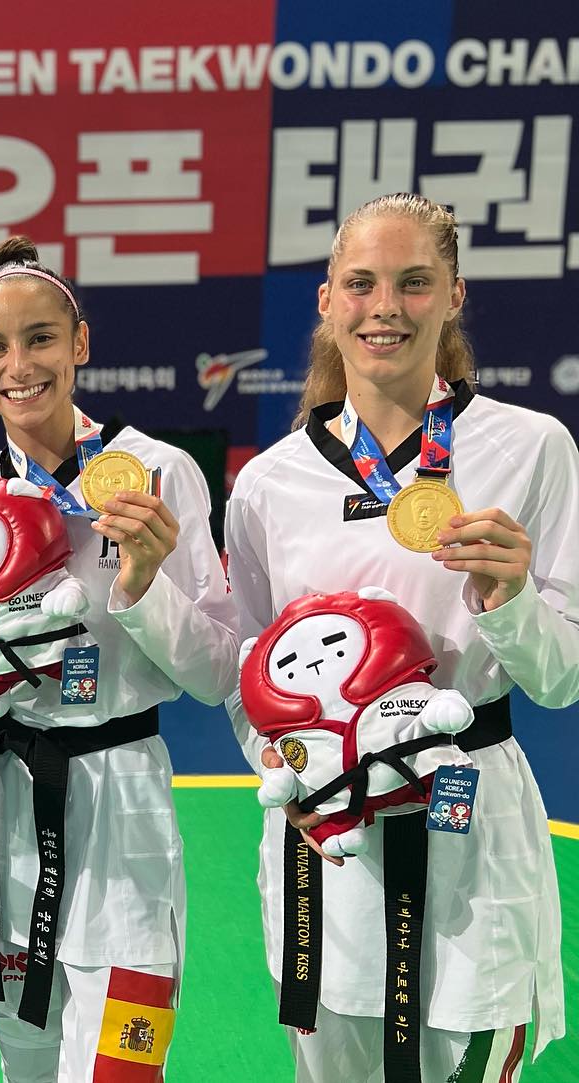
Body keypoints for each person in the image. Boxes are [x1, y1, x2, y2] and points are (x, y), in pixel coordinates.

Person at [224, 192, 579, 1082]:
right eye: (363, 283)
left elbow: (562, 675)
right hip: (330, 836)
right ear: (327, 300)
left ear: (454, 294)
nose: (385, 306)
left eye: (414, 283)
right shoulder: (270, 483)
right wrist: (286, 767)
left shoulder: (531, 448)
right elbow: (250, 677)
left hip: (470, 823)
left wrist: (506, 600)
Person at [0, 236, 238, 1082]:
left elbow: (215, 674)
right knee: (25, 1069)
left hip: (124, 807)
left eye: (40, 339)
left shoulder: (158, 474)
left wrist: (142, 582)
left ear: (80, 343)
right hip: (5, 808)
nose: (19, 365)